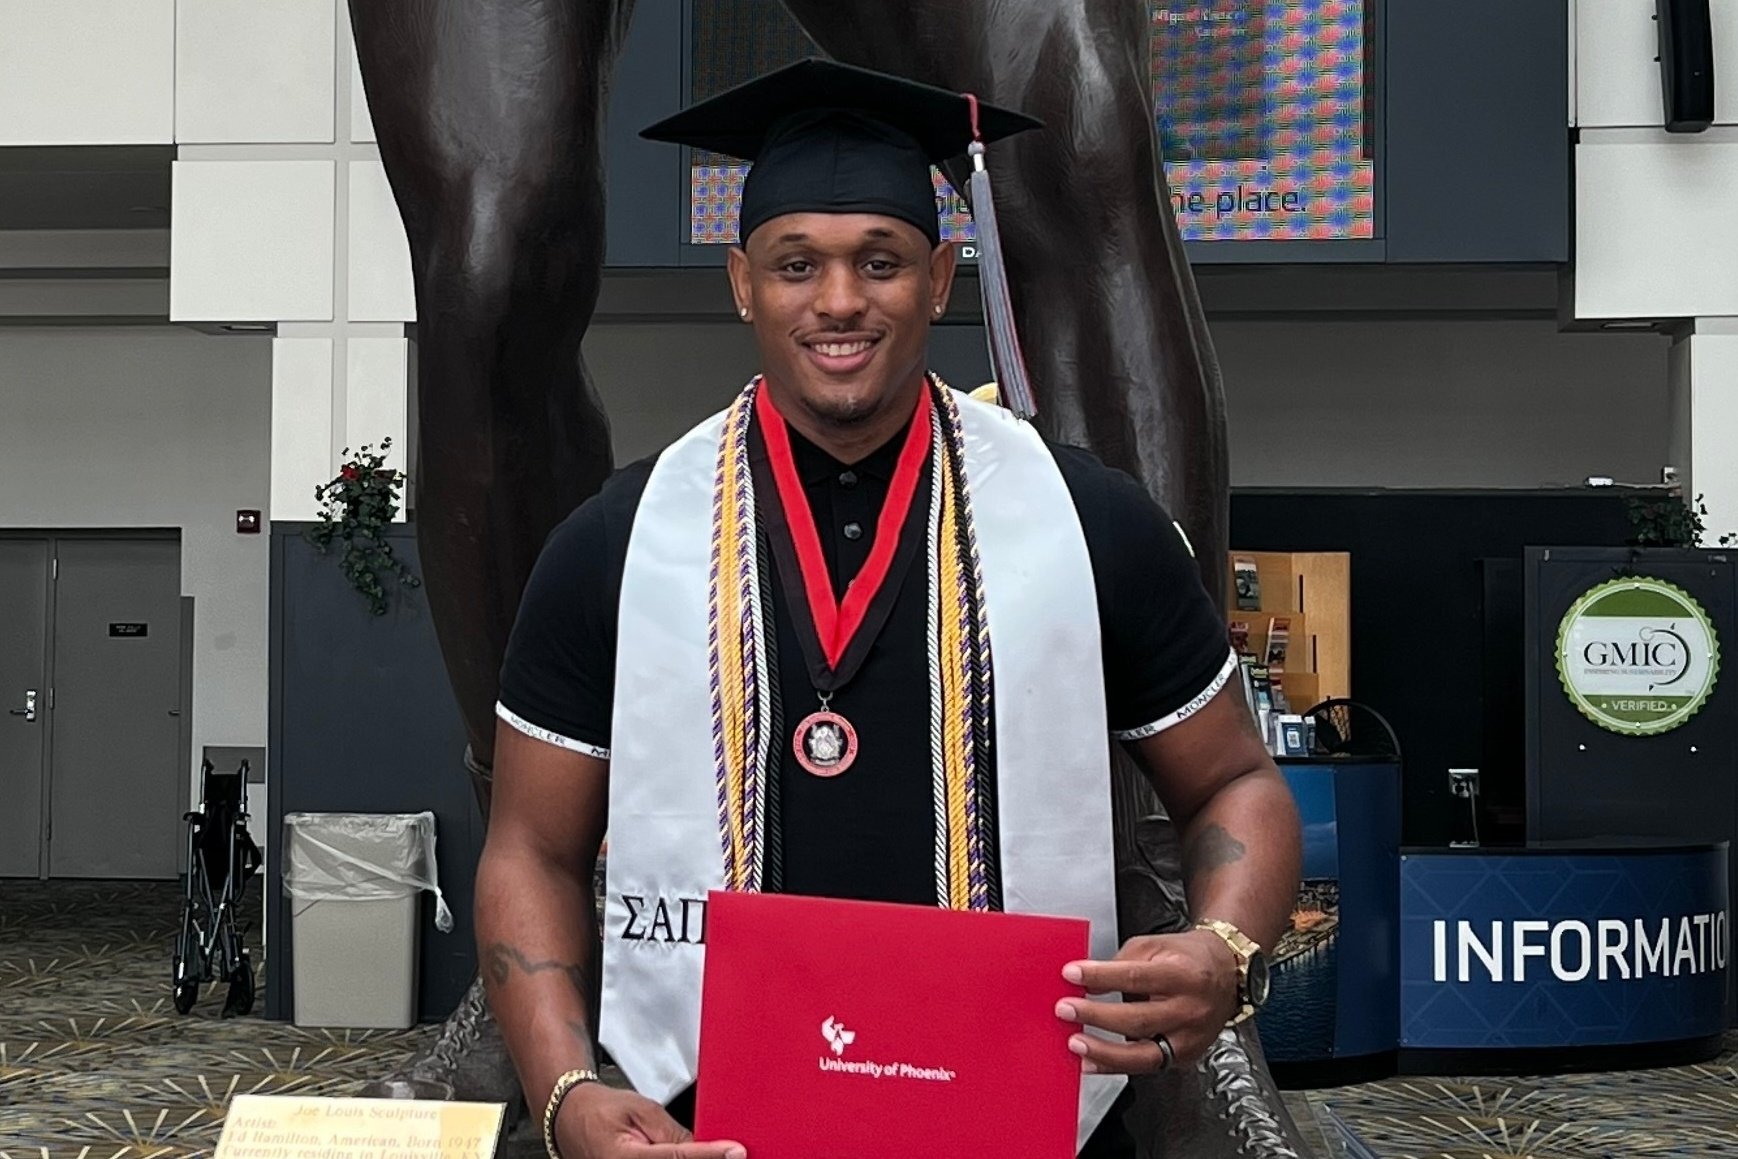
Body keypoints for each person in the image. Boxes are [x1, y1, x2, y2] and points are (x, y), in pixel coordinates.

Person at [475, 59, 1301, 1159]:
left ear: (942, 277)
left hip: (1021, 1118)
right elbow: (529, 846)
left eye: (880, 260)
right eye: (795, 264)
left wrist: (1226, 947)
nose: (838, 300)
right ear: (740, 282)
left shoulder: (1086, 521)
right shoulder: (617, 542)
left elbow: (1235, 780)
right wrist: (566, 1086)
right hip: (705, 1129)